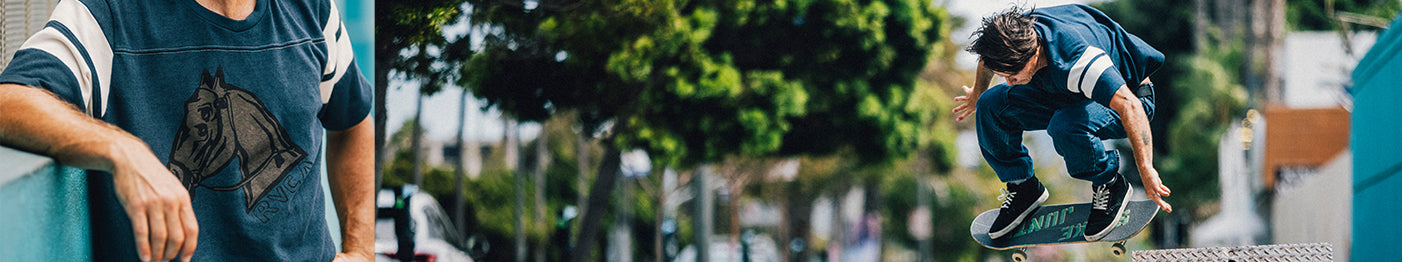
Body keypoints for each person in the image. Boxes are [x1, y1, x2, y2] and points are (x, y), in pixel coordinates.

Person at [0, 0, 373, 261]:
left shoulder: (312, 10)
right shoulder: (109, 12)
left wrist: (360, 249)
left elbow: (353, 121)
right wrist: (122, 150)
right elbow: (10, 99)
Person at [953, 4, 1174, 241]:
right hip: (1061, 89)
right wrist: (977, 94)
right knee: (991, 105)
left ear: (1035, 55)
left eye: (1013, 76)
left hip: (1131, 97)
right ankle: (1023, 187)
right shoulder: (1014, 36)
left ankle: (1109, 184)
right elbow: (988, 61)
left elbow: (1130, 105)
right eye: (1004, 75)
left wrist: (1146, 168)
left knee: (1066, 125)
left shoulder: (1078, 59)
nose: (1008, 82)